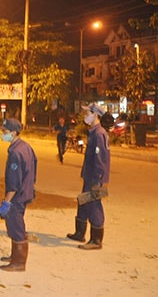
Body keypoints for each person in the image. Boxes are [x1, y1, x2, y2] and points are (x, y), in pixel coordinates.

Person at [67, 103, 110, 250]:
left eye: (88, 113)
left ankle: (96, 240)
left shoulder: (99, 134)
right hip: (89, 175)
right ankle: (80, 232)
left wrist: (98, 180)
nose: (85, 116)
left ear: (96, 115)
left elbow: (101, 159)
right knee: (83, 201)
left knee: (94, 204)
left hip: (94, 177)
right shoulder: (93, 132)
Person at [0, 118, 37, 272]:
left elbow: (14, 182)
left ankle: (19, 262)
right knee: (15, 225)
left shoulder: (15, 152)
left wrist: (6, 202)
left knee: (16, 226)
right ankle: (15, 256)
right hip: (25, 192)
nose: (2, 134)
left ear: (13, 133)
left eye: (5, 132)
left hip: (16, 196)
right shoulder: (26, 147)